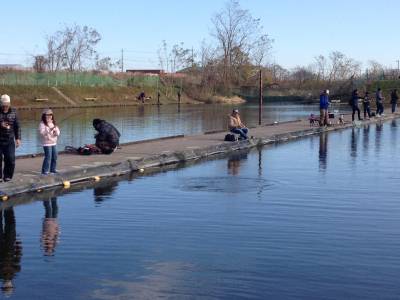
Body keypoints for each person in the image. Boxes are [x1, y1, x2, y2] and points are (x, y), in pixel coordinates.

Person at [0, 208, 22, 297]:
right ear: (12, 285)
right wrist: (18, 244)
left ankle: (3, 206)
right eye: (9, 287)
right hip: (10, 245)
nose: (7, 285)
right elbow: (18, 256)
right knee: (11, 223)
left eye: (6, 287)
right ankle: (9, 206)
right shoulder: (16, 270)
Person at [0, 95, 21, 182]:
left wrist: (18, 138)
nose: (5, 106)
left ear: (9, 103)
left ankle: (7, 176)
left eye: (7, 104)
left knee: (11, 159)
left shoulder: (14, 112)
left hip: (9, 139)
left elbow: (17, 126)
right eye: (4, 104)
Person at [38, 109, 60, 175]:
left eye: (50, 115)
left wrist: (56, 132)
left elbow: (58, 131)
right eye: (47, 115)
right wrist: (49, 130)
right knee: (48, 157)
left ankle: (52, 170)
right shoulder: (42, 124)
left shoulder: (53, 123)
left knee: (55, 156)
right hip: (47, 143)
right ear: (44, 115)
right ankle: (44, 171)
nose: (49, 116)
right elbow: (42, 133)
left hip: (54, 142)